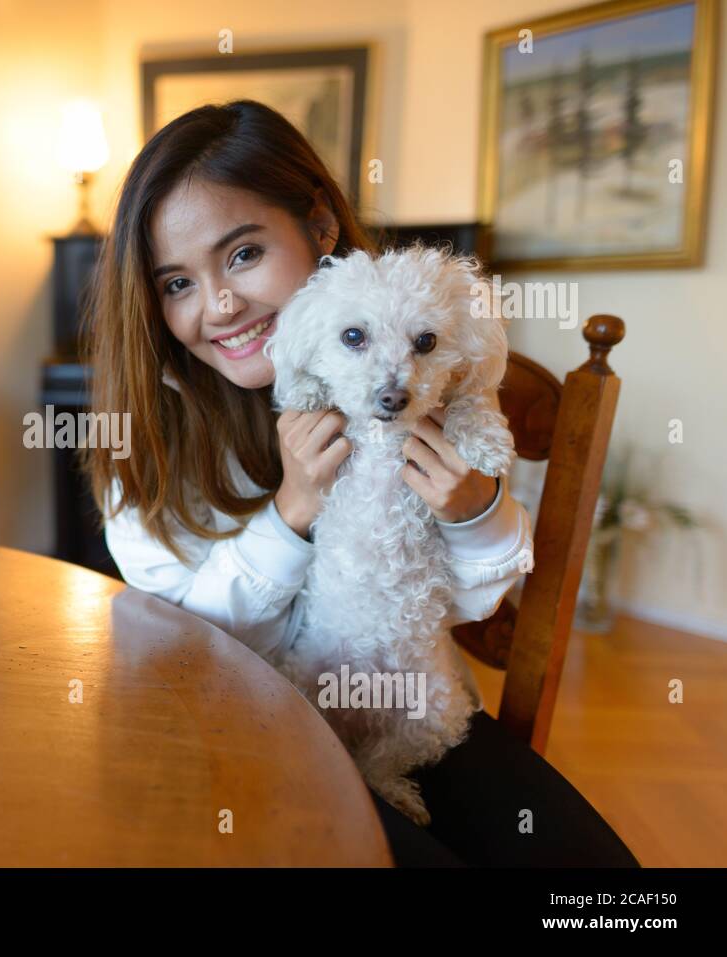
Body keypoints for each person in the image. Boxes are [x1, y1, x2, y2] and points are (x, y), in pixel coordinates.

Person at [81, 100, 637, 866]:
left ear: (319, 227)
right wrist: (290, 514)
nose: (220, 305)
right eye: (176, 282)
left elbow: (475, 601)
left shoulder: (418, 377)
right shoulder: (148, 448)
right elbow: (193, 661)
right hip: (242, 744)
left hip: (410, 712)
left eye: (243, 254)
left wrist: (474, 512)